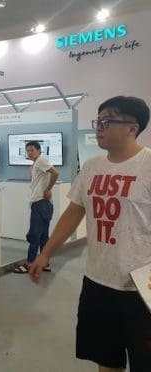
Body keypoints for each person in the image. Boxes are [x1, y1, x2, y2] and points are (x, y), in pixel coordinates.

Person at [29, 96, 151, 372]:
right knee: (106, 360)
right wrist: (46, 252)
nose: (99, 127)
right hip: (98, 282)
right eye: (98, 121)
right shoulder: (92, 167)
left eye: (107, 121)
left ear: (132, 128)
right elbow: (74, 213)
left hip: (141, 289)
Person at [13, 141, 59, 274]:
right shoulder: (35, 164)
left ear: (39, 150)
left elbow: (56, 173)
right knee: (43, 237)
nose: (29, 153)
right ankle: (45, 264)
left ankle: (29, 264)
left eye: (32, 150)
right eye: (27, 150)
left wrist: (48, 189)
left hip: (40, 203)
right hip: (42, 204)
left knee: (34, 236)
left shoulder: (40, 161)